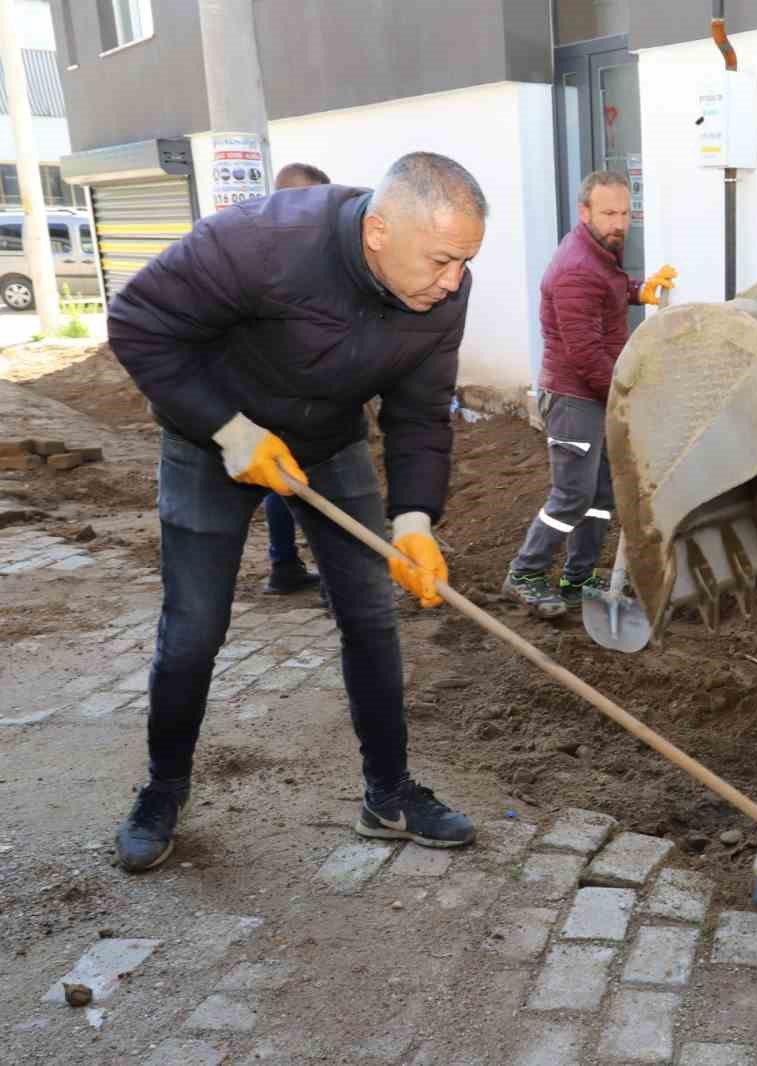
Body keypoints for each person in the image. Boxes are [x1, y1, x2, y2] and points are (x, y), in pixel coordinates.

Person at [107, 152, 485, 872]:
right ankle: (163, 789)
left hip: (328, 443)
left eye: (465, 262)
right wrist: (228, 429)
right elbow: (136, 323)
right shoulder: (259, 243)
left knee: (371, 618)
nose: (454, 282)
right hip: (211, 436)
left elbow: (420, 414)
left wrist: (412, 522)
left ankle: (389, 794)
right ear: (378, 231)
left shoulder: (442, 290)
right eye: (441, 260)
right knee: (193, 629)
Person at [503, 170, 676, 617]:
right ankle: (525, 572)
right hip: (574, 398)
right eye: (608, 213)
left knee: (600, 495)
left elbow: (609, 292)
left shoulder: (600, 253)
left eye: (625, 213)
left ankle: (578, 576)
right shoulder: (577, 268)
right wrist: (624, 398)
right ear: (585, 212)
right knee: (572, 495)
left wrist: (641, 290)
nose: (620, 222)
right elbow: (585, 354)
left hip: (596, 393)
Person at [257, 162, 334, 595]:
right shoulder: (300, 252)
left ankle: (284, 566)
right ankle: (334, 587)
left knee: (281, 478)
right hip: (297, 391)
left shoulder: (263, 242)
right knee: (316, 481)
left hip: (274, 388)